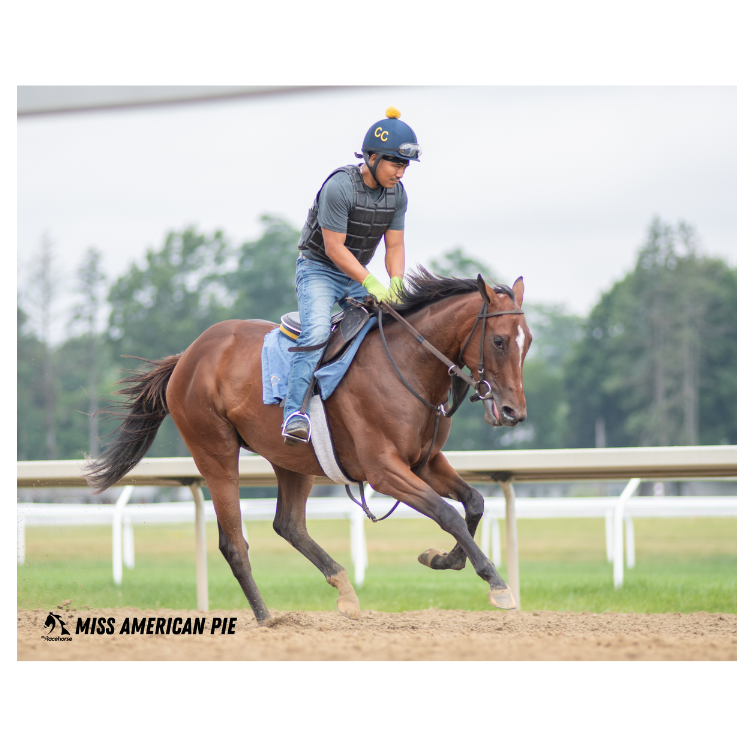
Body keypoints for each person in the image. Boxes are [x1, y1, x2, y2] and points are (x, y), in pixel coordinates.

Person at [282, 107, 422, 445]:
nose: (400, 173)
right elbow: (333, 249)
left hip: (355, 273)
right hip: (319, 269)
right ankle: (293, 414)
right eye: (394, 163)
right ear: (371, 157)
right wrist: (371, 283)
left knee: (396, 325)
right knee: (316, 331)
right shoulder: (339, 187)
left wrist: (396, 283)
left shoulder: (398, 195)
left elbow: (395, 247)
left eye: (404, 166)